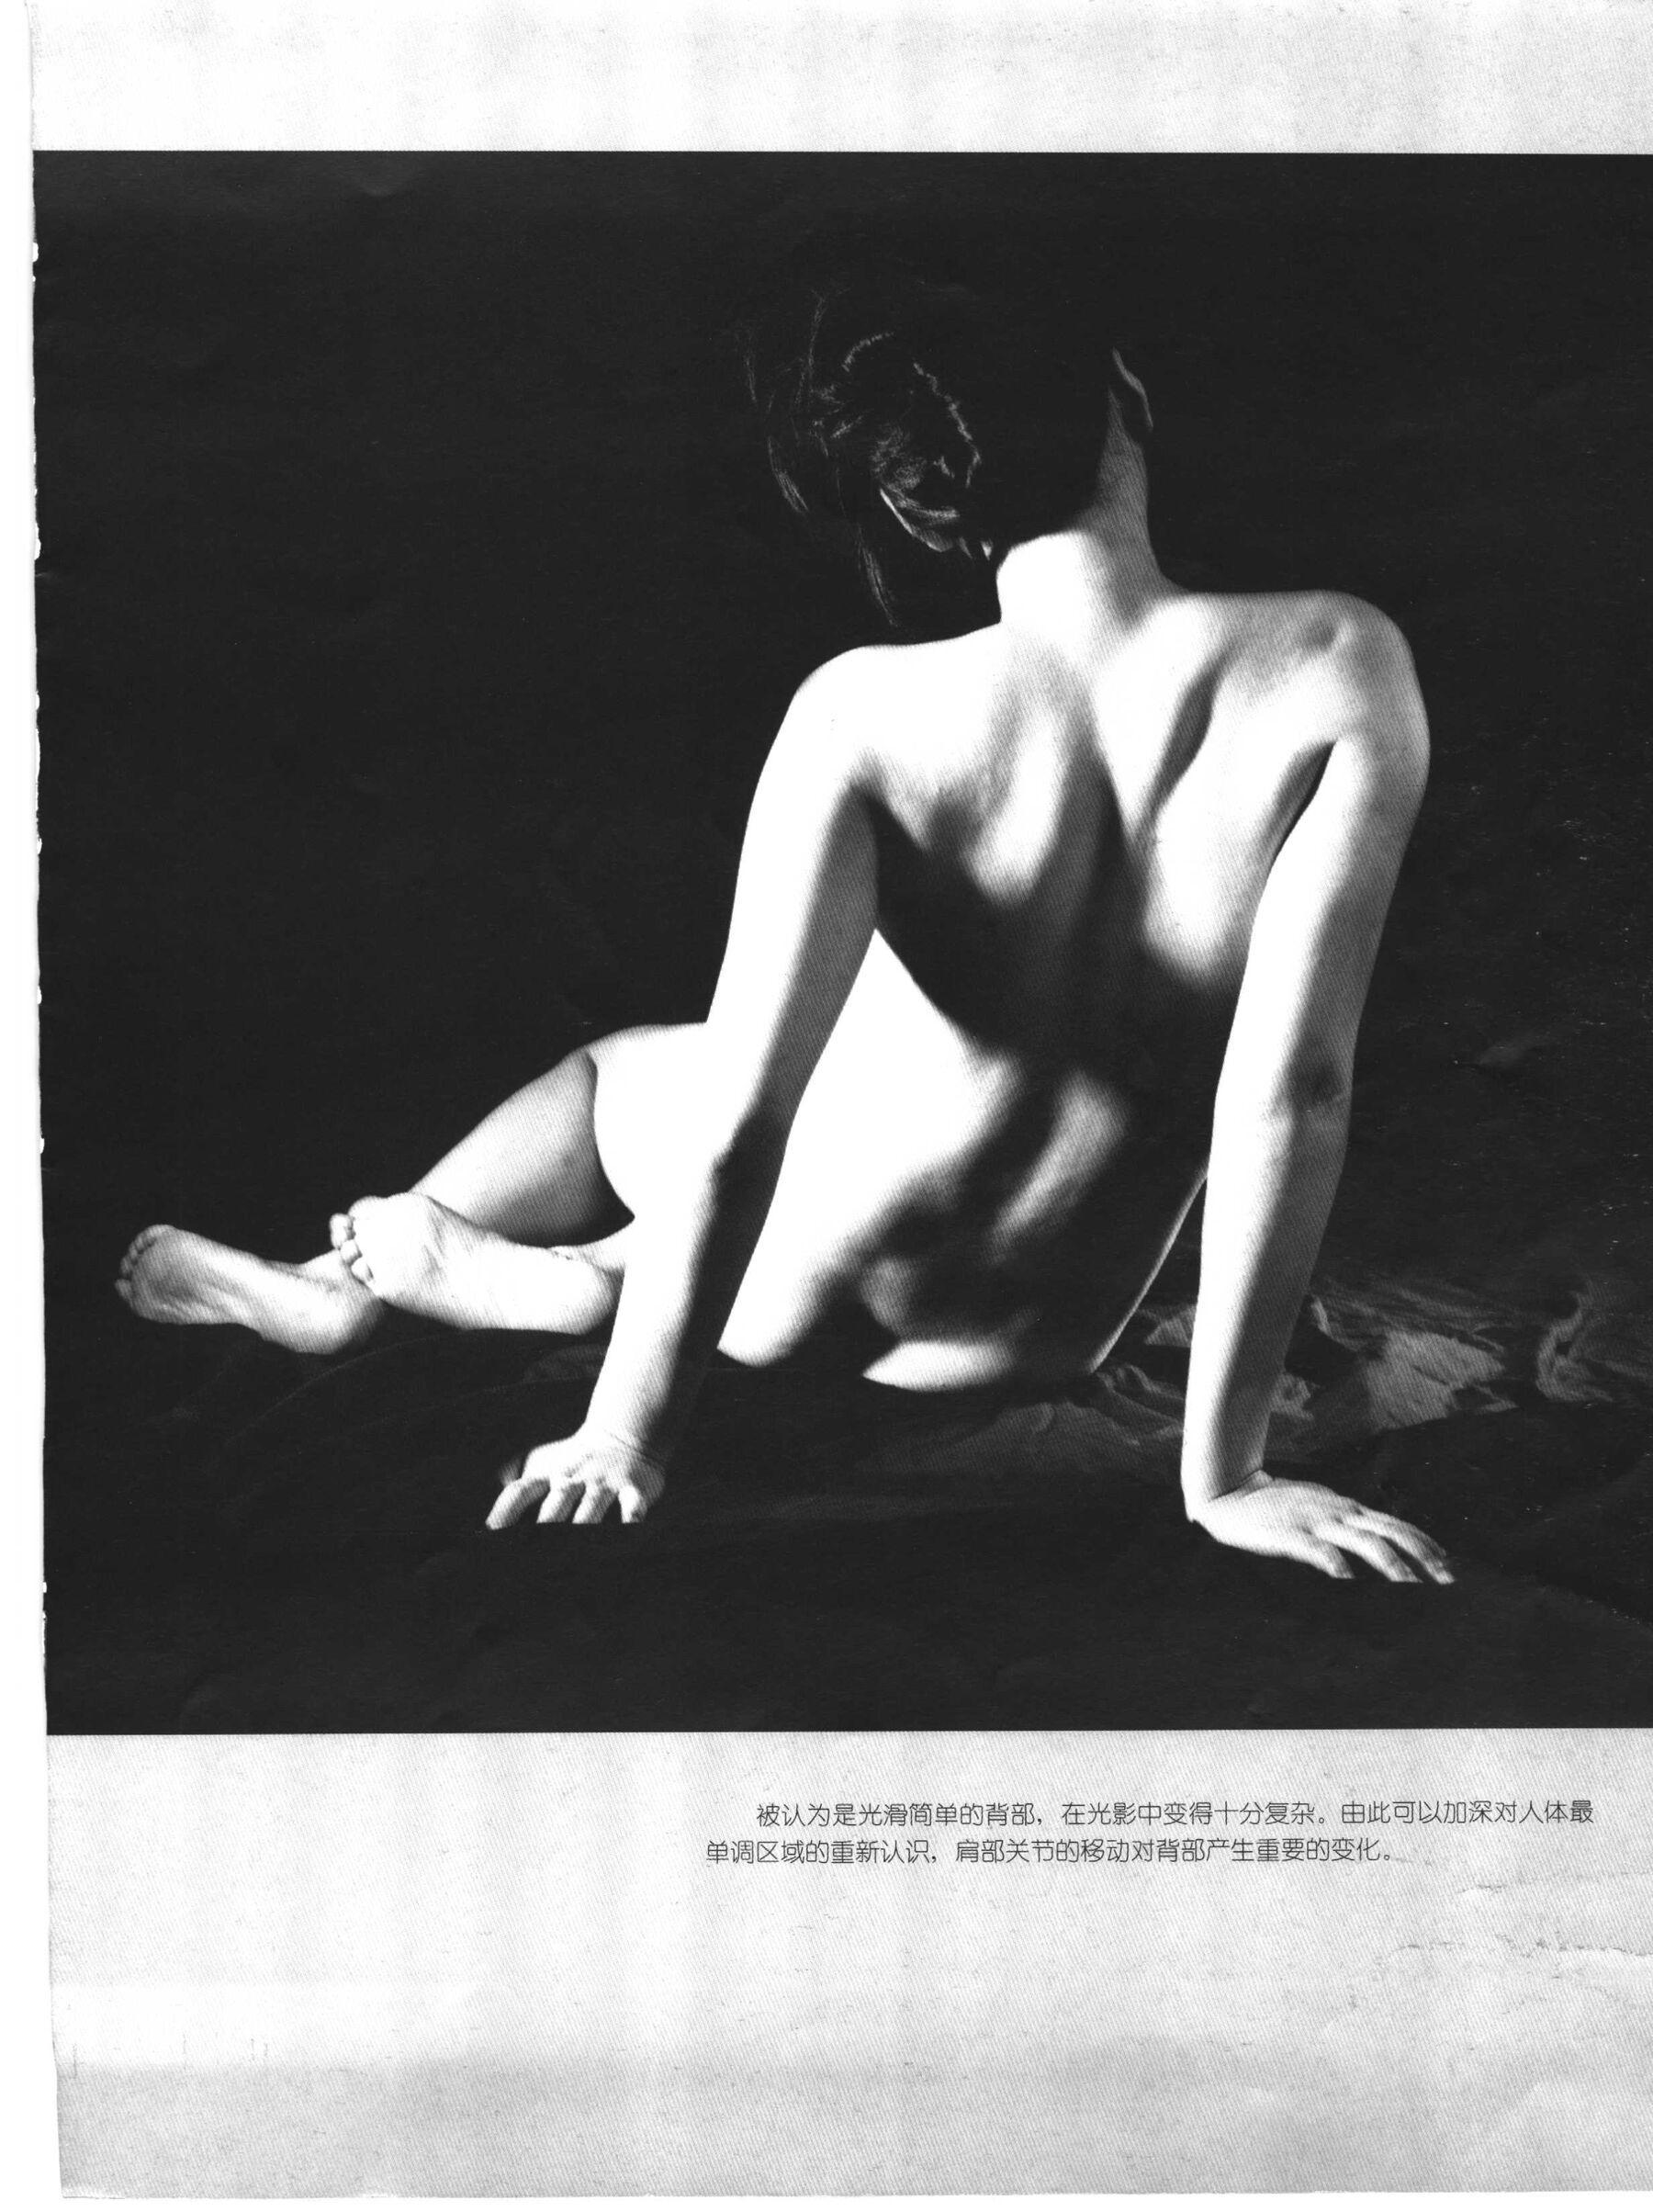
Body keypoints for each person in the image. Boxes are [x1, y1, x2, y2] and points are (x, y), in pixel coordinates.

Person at [118, 274, 1451, 1585]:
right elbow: (1293, 1090)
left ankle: (452, 1283)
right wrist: (1228, 1480)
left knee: (628, 1070)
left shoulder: (862, 713)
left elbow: (745, 1119)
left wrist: (625, 1435)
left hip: (785, 1292)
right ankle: (565, 1275)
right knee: (883, 1053)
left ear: (917, 505)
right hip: (1030, 1338)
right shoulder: (1339, 662)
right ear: (1133, 401)